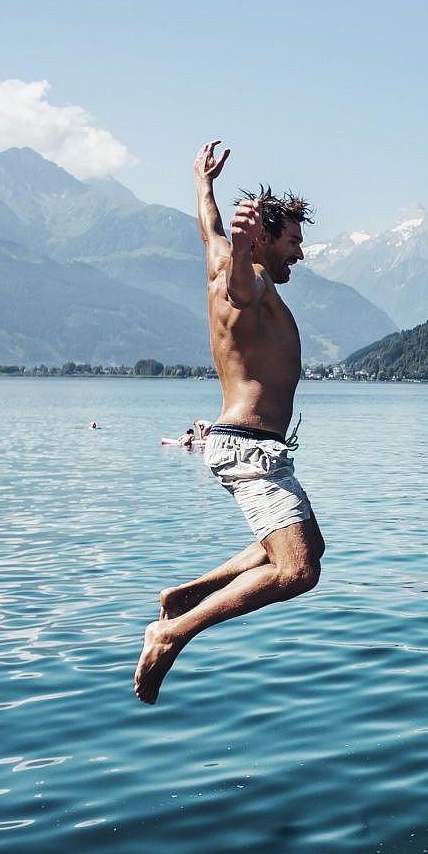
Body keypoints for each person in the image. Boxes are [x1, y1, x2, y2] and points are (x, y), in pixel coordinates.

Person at [135, 142, 322, 705]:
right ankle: (172, 634)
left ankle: (182, 598)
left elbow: (208, 230)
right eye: (294, 242)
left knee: (308, 543)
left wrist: (203, 183)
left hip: (256, 447)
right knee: (297, 571)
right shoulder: (248, 280)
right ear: (265, 240)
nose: (301, 254)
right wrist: (245, 254)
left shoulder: (221, 258)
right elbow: (240, 289)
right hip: (249, 450)